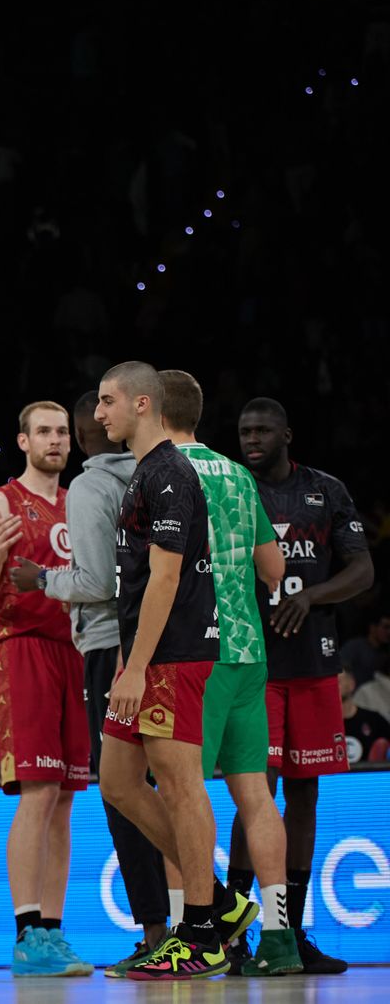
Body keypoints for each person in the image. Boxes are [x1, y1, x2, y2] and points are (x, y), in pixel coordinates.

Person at [92, 361, 247, 981]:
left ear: (143, 404)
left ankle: (203, 932)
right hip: (146, 654)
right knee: (117, 780)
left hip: (176, 653)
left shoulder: (170, 474)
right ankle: (224, 903)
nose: (99, 413)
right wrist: (128, 660)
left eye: (107, 401)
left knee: (181, 785)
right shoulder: (142, 472)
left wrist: (138, 667)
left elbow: (165, 577)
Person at [10, 390, 169, 973]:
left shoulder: (92, 486)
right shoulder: (165, 468)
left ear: (80, 435)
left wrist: (41, 579)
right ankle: (200, 919)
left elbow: (98, 582)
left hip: (109, 648)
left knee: (121, 792)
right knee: (168, 785)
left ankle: (158, 930)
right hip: (174, 647)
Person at [158, 370, 299, 975]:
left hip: (195, 654)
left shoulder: (165, 474)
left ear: (153, 411)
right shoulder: (237, 473)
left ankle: (189, 936)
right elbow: (274, 567)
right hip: (249, 653)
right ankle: (278, 939)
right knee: (257, 797)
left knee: (180, 795)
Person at [229, 396, 374, 975]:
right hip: (253, 668)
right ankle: (243, 933)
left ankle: (287, 930)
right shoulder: (233, 490)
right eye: (244, 431)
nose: (252, 438)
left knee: (304, 795)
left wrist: (311, 596)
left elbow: (362, 570)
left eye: (263, 429)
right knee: (254, 794)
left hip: (314, 666)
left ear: (287, 433)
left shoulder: (326, 490)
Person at [0, 400, 91, 977]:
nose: (56, 440)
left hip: (80, 654)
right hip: (24, 649)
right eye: (44, 431)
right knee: (38, 793)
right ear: (23, 441)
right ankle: (24, 933)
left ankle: (52, 933)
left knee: (66, 800)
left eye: (63, 431)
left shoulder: (82, 502)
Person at [340, 671, 390, 763]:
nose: (333, 685)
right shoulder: (321, 724)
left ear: (351, 684)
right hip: (333, 777)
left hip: (369, 776)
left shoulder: (374, 720)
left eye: (339, 681)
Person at [341, 612, 390, 686]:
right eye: (385, 627)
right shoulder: (355, 646)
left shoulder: (385, 653)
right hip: (354, 693)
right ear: (373, 628)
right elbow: (342, 667)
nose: (389, 632)